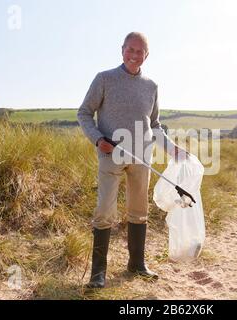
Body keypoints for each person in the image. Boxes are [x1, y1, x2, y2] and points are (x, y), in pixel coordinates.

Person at [77, 32, 186, 288]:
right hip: (110, 154)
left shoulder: (151, 86)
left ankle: (136, 264)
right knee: (105, 210)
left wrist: (172, 149)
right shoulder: (104, 79)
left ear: (146, 55)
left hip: (142, 158)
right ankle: (98, 274)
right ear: (122, 49)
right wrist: (96, 138)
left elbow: (155, 125)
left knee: (139, 211)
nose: (134, 55)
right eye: (131, 49)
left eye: (140, 52)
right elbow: (84, 113)